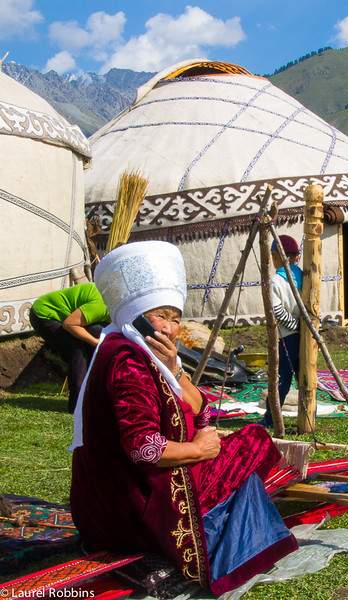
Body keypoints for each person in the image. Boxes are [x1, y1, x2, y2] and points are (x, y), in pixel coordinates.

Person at [69, 241, 297, 596]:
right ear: (139, 314)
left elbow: (201, 408)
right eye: (161, 316)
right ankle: (224, 540)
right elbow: (145, 449)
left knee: (244, 442)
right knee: (255, 440)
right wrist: (199, 449)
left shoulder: (136, 351)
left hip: (111, 507)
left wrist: (176, 370)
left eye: (176, 318)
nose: (172, 330)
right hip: (135, 509)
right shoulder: (128, 362)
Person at [29, 282, 110, 413]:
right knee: (78, 353)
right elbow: (69, 324)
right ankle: (77, 408)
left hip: (68, 317)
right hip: (44, 313)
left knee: (91, 352)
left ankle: (92, 400)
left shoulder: (117, 309)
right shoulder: (102, 304)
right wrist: (96, 342)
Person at [261, 235, 303, 429]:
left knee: (282, 380)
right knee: (305, 379)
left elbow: (276, 311)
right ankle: (310, 415)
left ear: (274, 256)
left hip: (288, 337)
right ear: (297, 257)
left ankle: (271, 419)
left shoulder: (276, 281)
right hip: (306, 336)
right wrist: (307, 329)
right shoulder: (306, 278)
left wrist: (294, 327)